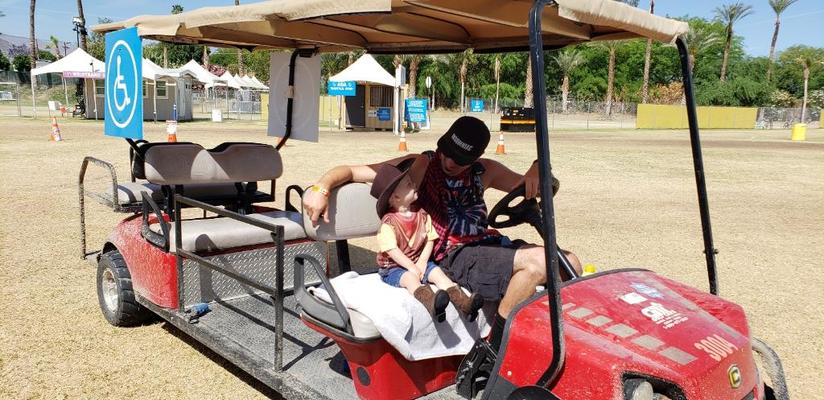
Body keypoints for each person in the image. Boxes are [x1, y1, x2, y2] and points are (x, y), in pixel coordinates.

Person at [304, 116, 581, 352]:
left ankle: (536, 342)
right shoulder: (421, 165)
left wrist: (537, 168)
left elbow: (537, 187)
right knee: (535, 265)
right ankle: (494, 351)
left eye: (459, 160)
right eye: (446, 151)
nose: (448, 161)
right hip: (452, 253)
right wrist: (321, 188)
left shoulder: (487, 171)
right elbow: (352, 171)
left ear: (474, 159)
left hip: (490, 244)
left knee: (571, 263)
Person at [370, 164, 484, 323]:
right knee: (410, 279)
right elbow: (392, 250)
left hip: (419, 261)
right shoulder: (389, 224)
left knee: (438, 273)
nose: (414, 185)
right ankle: (431, 302)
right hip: (394, 267)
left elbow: (431, 238)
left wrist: (422, 262)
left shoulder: (422, 214)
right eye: (409, 185)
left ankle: (464, 303)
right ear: (395, 197)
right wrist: (411, 267)